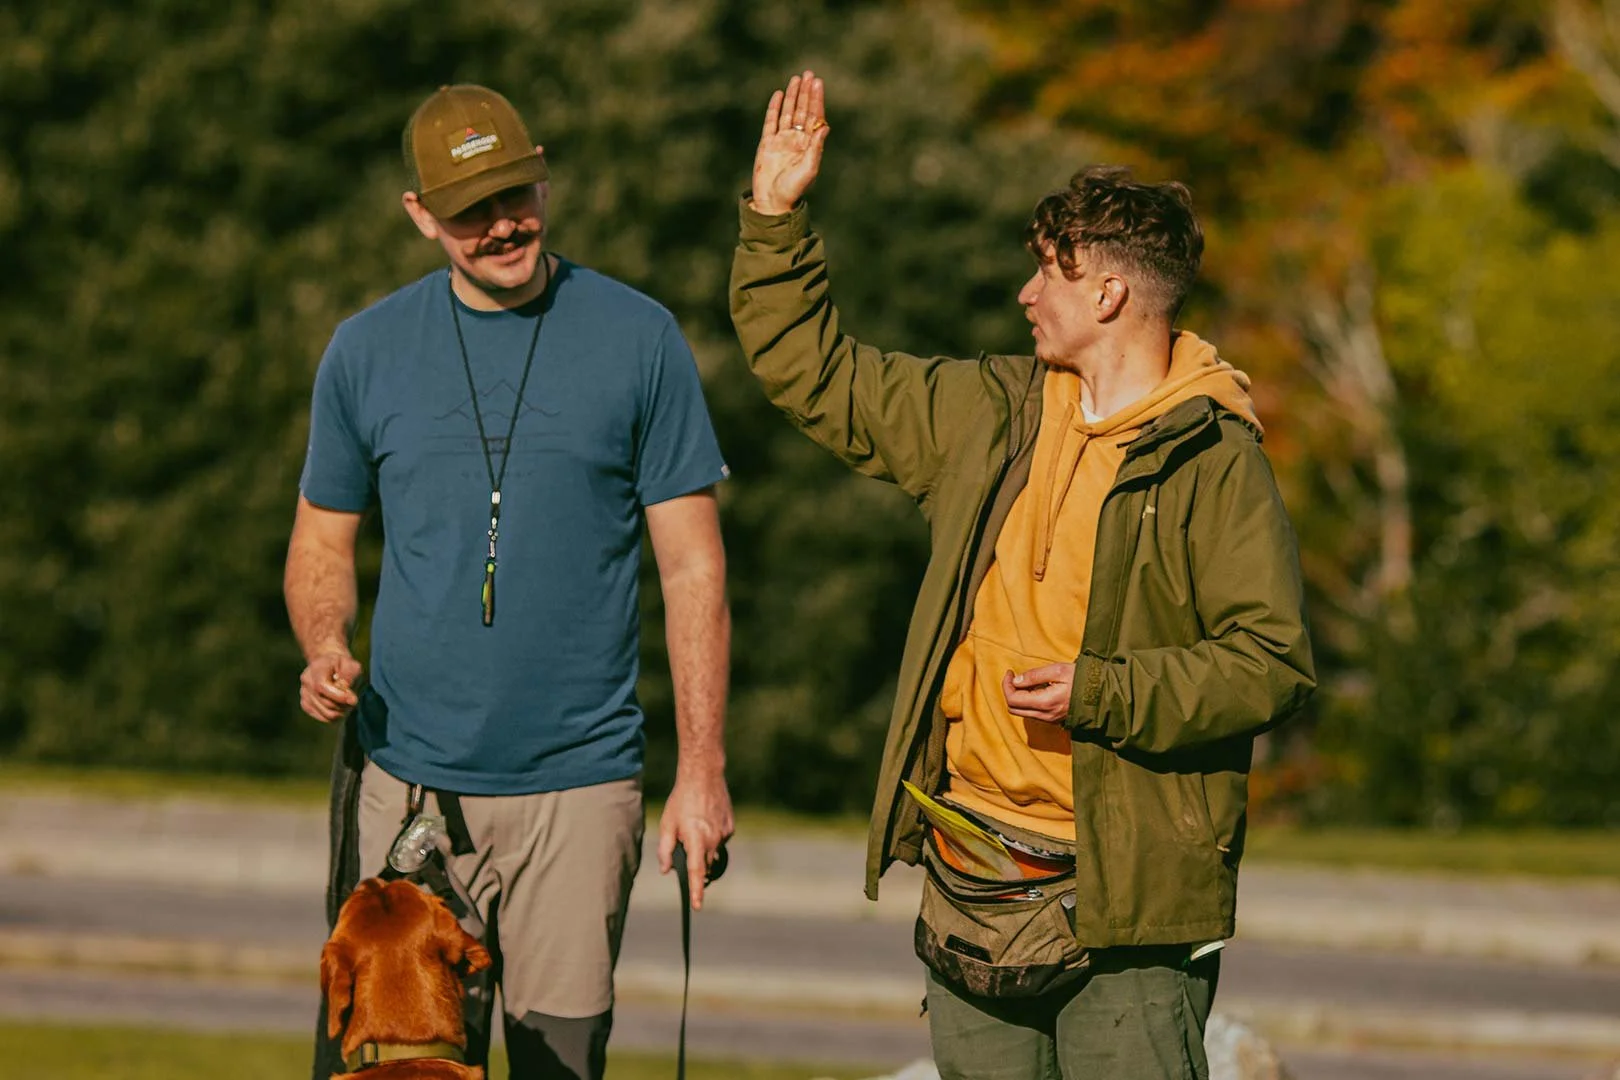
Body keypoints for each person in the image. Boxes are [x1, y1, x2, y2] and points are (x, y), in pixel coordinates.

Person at [732, 71, 1314, 1079]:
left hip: (1127, 907)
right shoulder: (994, 414)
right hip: (973, 880)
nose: (1025, 292)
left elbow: (1269, 664)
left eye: (1047, 271)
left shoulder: (1215, 457)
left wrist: (1103, 692)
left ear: (1108, 291)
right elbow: (821, 376)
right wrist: (775, 218)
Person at [285, 83, 733, 1080]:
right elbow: (321, 542)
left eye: (516, 194)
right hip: (406, 789)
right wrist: (325, 643)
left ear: (544, 176)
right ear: (420, 215)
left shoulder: (641, 338)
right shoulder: (365, 350)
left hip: (580, 787)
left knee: (560, 1063)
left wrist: (701, 771)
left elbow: (693, 565)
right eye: (469, 209)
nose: (503, 225)